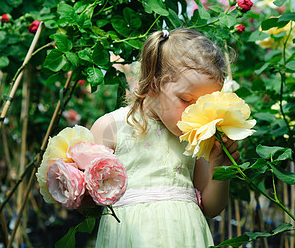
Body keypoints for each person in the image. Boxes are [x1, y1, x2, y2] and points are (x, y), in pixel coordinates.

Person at [90, 28, 239, 247]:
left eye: (203, 105)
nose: (193, 113)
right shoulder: (110, 128)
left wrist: (220, 167)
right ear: (153, 85)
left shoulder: (193, 138)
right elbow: (88, 202)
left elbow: (211, 208)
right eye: (186, 100)